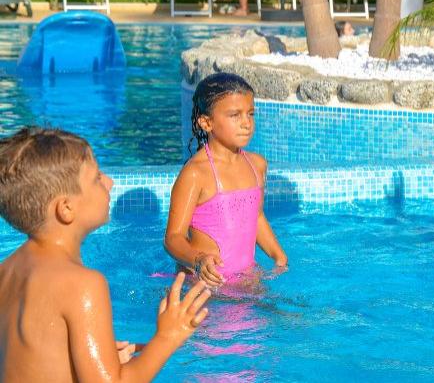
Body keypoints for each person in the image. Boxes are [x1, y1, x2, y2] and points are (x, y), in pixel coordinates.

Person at [0, 127, 210, 382]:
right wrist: (168, 336)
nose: (109, 182)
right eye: (97, 178)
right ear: (66, 208)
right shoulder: (82, 284)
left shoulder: (7, 269)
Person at [164, 72, 287, 289]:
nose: (246, 123)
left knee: (296, 320)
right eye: (234, 115)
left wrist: (279, 256)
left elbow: (255, 217)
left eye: (250, 114)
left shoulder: (256, 165)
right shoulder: (196, 174)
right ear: (206, 122)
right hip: (205, 286)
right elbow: (173, 237)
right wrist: (198, 259)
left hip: (246, 279)